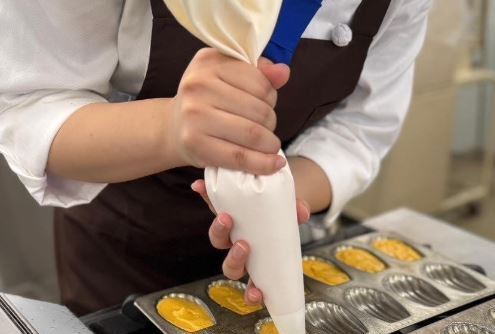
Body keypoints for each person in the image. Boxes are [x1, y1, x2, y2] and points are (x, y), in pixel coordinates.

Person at [0, 0, 430, 315]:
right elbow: (30, 107)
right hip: (122, 241)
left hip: (265, 245)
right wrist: (168, 128)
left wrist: (272, 202)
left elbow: (359, 128)